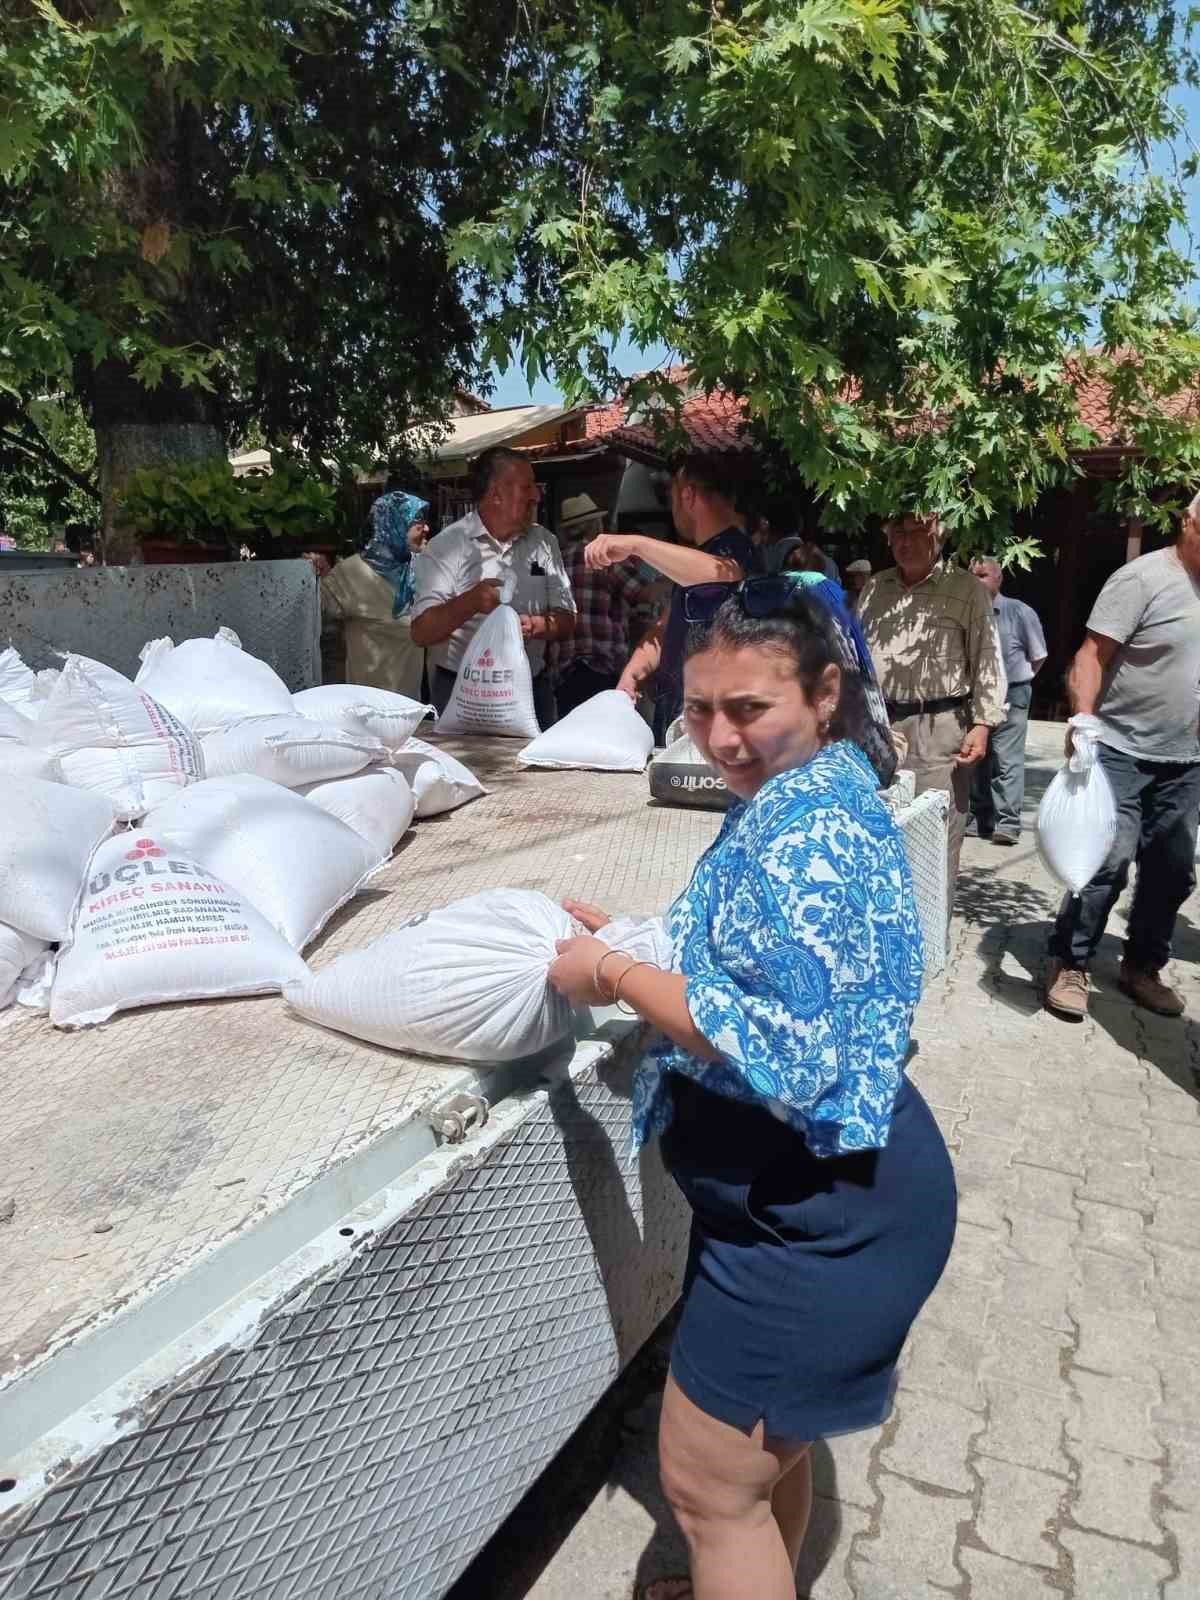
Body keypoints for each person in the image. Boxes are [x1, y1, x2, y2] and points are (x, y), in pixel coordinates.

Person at [548, 579, 956, 1600]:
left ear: (824, 693)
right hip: (816, 1195)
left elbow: (793, 1042)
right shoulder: (814, 790)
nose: (721, 738)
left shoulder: (807, 830)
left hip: (818, 1221)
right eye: (698, 708)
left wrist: (615, 976)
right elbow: (765, 955)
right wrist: (649, 941)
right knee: (768, 1455)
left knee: (706, 1481)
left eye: (749, 709)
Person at [1045, 497, 1200, 1022]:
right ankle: (1071, 962)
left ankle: (1142, 966)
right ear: (1188, 523)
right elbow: (1091, 655)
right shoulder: (1143, 579)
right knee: (1107, 861)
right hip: (1119, 751)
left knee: (1174, 869)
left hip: (1187, 760)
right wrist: (1082, 719)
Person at [858, 513, 1005, 886]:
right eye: (898, 533)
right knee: (872, 833)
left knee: (932, 843)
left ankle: (931, 943)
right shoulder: (875, 588)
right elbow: (855, 657)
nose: (905, 541)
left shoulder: (966, 589)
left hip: (939, 729)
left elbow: (987, 657)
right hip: (878, 725)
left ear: (938, 536)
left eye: (916, 532)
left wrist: (984, 724)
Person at [585, 451, 758, 743]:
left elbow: (726, 572)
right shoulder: (696, 557)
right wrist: (632, 674)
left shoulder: (734, 549)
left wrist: (636, 544)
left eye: (672, 495)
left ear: (688, 495)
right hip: (677, 715)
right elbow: (666, 627)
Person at [410, 447, 575, 729]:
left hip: (531, 691)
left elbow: (568, 619)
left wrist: (535, 625)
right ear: (496, 494)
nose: (537, 495)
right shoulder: (448, 545)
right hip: (462, 694)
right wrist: (472, 601)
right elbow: (421, 632)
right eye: (527, 487)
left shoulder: (544, 543)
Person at [552, 493, 665, 718]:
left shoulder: (556, 560)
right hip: (601, 665)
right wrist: (673, 578)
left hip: (564, 671)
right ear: (594, 525)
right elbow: (646, 594)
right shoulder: (606, 559)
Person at [319, 491, 430, 698]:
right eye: (418, 521)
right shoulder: (352, 572)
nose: (426, 528)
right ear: (395, 524)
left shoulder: (418, 572)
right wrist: (310, 576)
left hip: (411, 709)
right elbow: (312, 616)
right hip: (366, 710)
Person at [968, 557, 1047, 845]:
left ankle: (1008, 823)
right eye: (972, 575)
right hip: (975, 694)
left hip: (1012, 692)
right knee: (977, 756)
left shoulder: (1019, 612)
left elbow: (1038, 656)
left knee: (1006, 759)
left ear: (998, 579)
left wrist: (1017, 681)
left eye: (983, 575)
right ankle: (979, 819)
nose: (977, 580)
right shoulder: (967, 611)